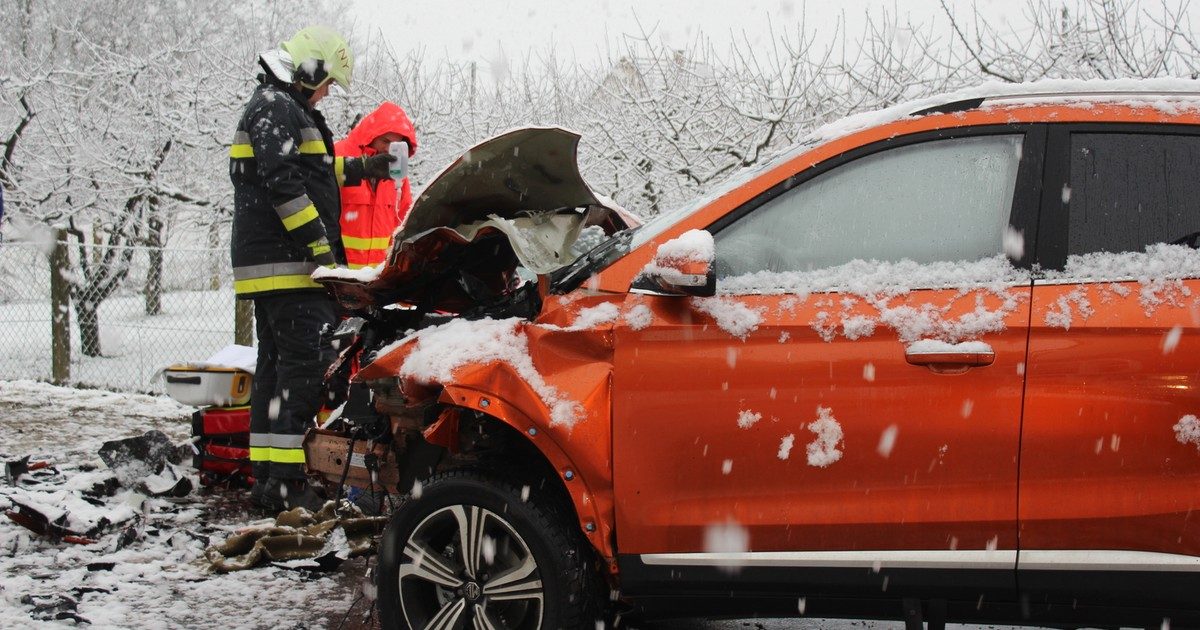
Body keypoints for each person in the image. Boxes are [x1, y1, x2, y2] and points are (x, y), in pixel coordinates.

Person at [229, 26, 394, 511]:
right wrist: (323, 253)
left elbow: (317, 171)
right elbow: (286, 187)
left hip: (275, 269)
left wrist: (369, 169)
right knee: (302, 371)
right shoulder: (277, 108)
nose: (326, 94)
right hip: (290, 268)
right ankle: (284, 484)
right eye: (326, 83)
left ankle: (268, 481)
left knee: (276, 370)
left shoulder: (282, 107)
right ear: (310, 70)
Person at [334, 101, 418, 268]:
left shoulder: (399, 179)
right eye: (385, 141)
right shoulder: (339, 156)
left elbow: (405, 225)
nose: (388, 149)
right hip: (338, 274)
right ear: (371, 137)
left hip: (375, 281)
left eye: (395, 144)